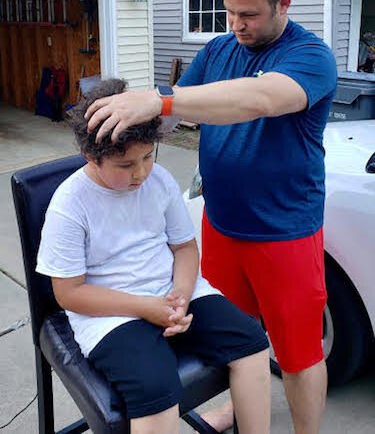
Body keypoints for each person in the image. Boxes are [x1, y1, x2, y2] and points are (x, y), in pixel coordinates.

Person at [84, 0, 337, 434]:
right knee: (237, 338)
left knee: (299, 352)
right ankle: (240, 410)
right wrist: (112, 135)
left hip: (284, 232)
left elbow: (259, 99)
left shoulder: (310, 57)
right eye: (230, 12)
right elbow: (172, 113)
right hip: (220, 225)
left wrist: (160, 98)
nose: (237, 24)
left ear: (283, 3)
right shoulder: (219, 49)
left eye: (250, 14)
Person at [36, 78, 270, 434]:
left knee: (251, 340)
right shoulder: (70, 204)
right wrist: (147, 308)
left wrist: (180, 291)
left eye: (147, 157)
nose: (141, 172)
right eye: (125, 165)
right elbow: (68, 293)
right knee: (155, 387)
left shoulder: (158, 181)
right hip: (109, 313)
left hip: (170, 291)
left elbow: (184, 248)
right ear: (91, 157)